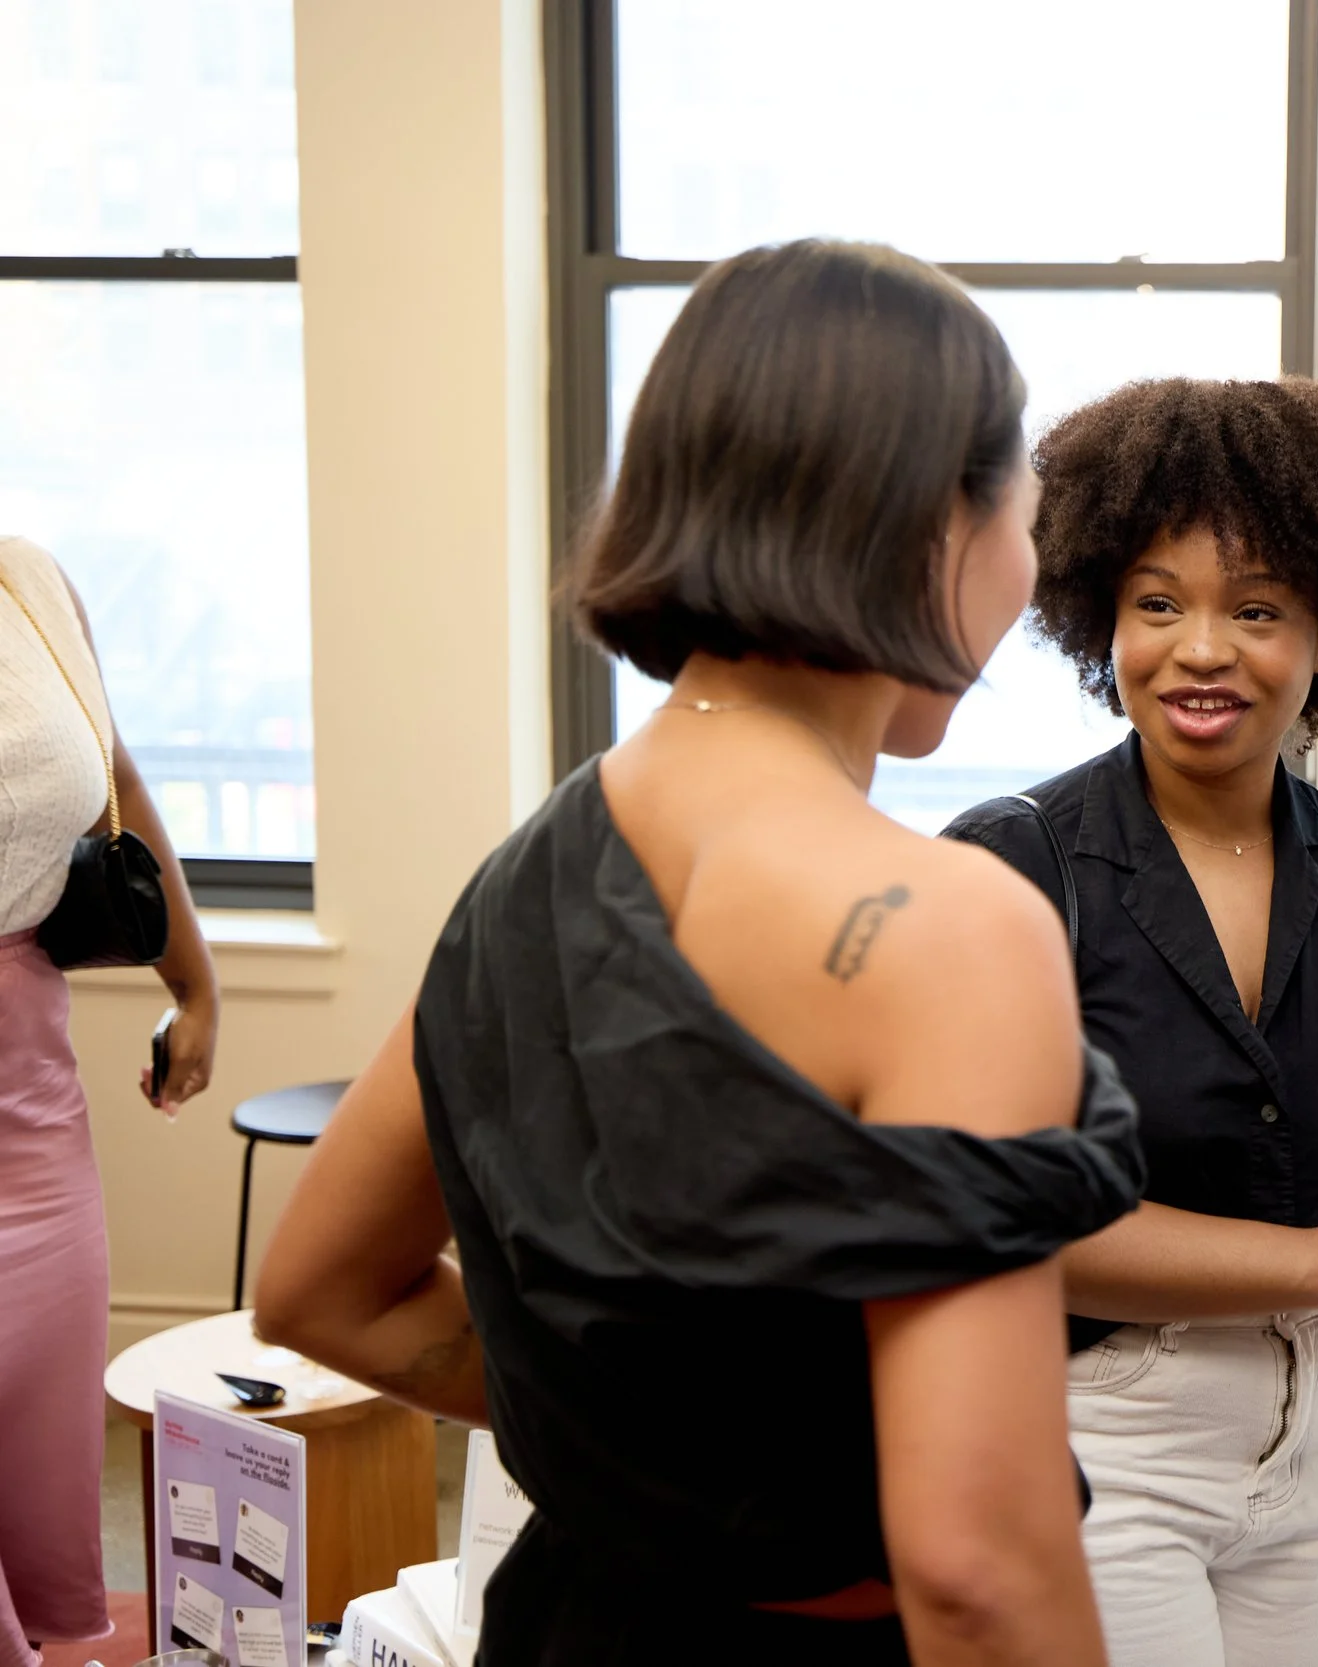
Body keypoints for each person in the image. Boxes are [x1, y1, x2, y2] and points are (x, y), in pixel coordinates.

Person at [252, 240, 1146, 1667]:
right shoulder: (951, 929)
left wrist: (644, 1445)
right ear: (936, 519)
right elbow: (979, 1564)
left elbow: (317, 1291)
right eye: (1025, 516)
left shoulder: (514, 883)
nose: (1029, 578)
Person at [942, 376, 1318, 1667]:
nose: (1199, 647)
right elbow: (1003, 1213)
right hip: (1103, 1433)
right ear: (1103, 619)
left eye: (1255, 608)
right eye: (1157, 603)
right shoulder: (1014, 864)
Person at [0, 533, 219, 1667]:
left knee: (50, 1529)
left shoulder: (28, 582)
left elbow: (116, 782)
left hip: (32, 1111)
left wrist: (196, 980)